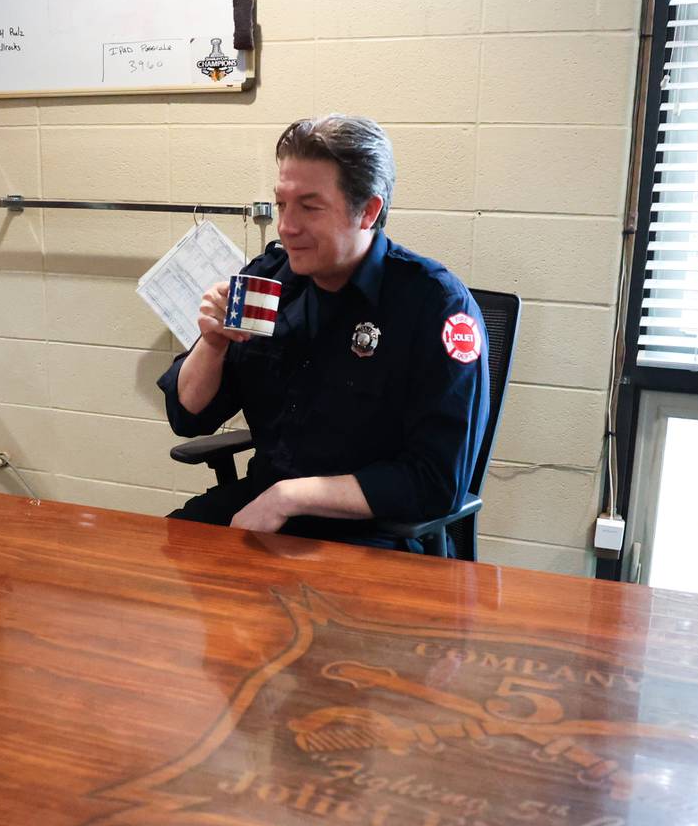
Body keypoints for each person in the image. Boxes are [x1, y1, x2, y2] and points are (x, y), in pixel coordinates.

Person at [157, 114, 489, 549]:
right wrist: (213, 344)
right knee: (156, 569)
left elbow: (435, 480)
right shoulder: (270, 281)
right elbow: (188, 416)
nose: (286, 227)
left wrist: (289, 498)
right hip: (264, 508)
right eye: (281, 204)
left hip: (374, 532)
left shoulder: (435, 305)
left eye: (309, 207)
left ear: (368, 211)